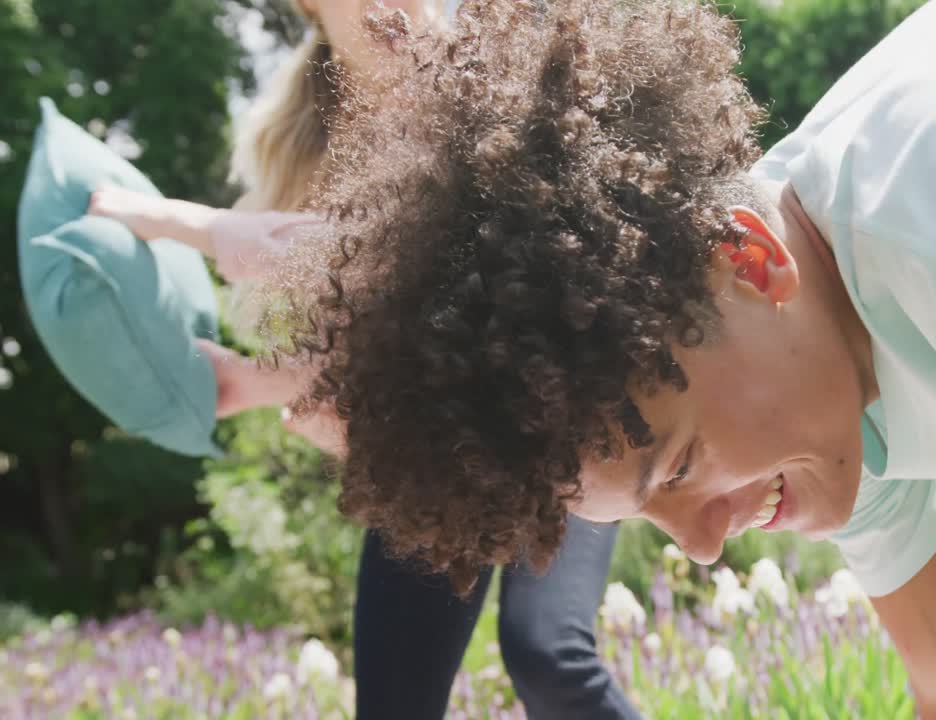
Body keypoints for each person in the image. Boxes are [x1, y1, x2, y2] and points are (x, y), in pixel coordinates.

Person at [268, 0, 936, 717]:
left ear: (744, 264)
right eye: (649, 515)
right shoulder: (804, 352)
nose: (705, 545)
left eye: (678, 467)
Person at [87, 2, 641, 718]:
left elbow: (363, 251)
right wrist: (262, 383)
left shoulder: (491, 73)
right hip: (443, 444)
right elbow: (375, 329)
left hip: (566, 416)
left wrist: (176, 221)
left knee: (546, 653)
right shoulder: (302, 143)